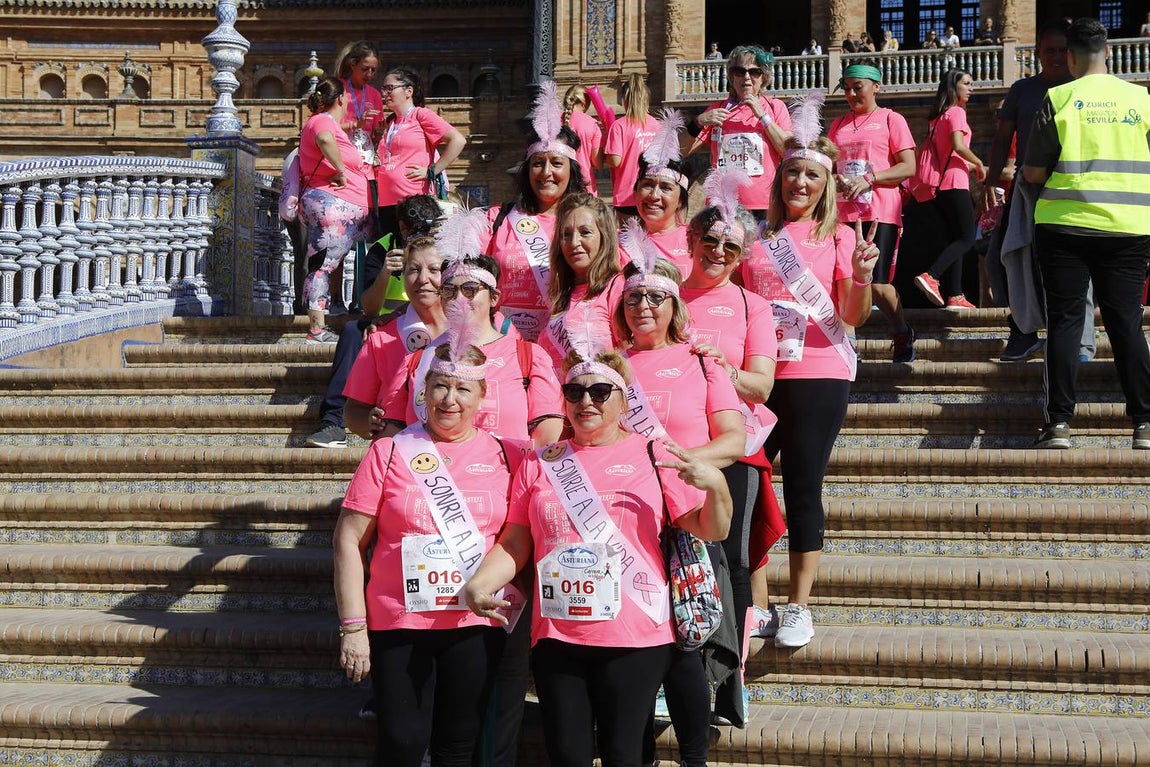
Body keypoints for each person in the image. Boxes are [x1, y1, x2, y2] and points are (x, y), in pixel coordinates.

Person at [463, 347, 733, 767]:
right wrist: (481, 583)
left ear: (623, 401)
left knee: (623, 755)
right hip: (557, 635)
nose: (586, 401)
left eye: (600, 392)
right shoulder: (539, 462)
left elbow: (712, 529)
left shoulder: (655, 453)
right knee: (567, 756)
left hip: (635, 636)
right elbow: (516, 542)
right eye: (574, 392)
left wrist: (717, 485)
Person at [334, 302, 527, 766]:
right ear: (424, 390)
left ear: (482, 396)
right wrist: (353, 627)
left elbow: (518, 537)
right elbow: (348, 540)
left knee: (457, 747)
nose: (449, 399)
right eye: (439, 385)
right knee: (401, 742)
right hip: (399, 620)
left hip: (473, 622)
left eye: (462, 388)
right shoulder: (389, 451)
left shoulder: (508, 455)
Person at [739, 94, 880, 648]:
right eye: (792, 173)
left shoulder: (840, 237)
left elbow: (852, 316)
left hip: (818, 373)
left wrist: (863, 276)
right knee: (748, 485)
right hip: (759, 377)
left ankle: (798, 606)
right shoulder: (755, 239)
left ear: (826, 186)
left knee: (802, 486)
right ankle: (757, 603)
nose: (800, 182)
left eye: (811, 176)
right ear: (780, 181)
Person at [612, 228, 744, 767]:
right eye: (633, 298)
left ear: (674, 305)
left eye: (654, 297)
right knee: (635, 652)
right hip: (625, 523)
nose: (643, 306)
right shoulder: (609, 367)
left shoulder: (702, 360)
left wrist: (682, 462)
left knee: (684, 648)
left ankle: (694, 758)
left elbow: (734, 440)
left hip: (685, 521)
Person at [1022, 17, 1150, 451]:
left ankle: (1059, 424)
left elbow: (1033, 171)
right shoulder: (1141, 99)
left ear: (1072, 58)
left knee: (1065, 321)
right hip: (1129, 225)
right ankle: (1145, 423)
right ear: (1108, 52)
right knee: (1126, 322)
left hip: (1065, 224)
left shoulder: (1059, 97)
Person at [678, 191, 782, 718]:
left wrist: (725, 368)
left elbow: (762, 386)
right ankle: (674, 677)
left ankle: (729, 681)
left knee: (734, 562)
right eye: (710, 240)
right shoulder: (662, 293)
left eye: (731, 247)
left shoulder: (751, 305)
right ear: (690, 240)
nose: (718, 252)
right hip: (671, 447)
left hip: (731, 447)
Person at [981, 19, 1098, 363]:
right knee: (1001, 259)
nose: (1057, 57)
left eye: (1063, 50)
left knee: (1072, 263)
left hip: (1069, 186)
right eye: (1050, 50)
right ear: (1037, 53)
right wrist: (991, 181)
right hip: (1026, 187)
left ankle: (1077, 340)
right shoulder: (1023, 90)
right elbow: (1003, 138)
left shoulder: (1081, 88)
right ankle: (1024, 329)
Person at [306, 194, 443, 448]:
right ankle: (333, 420)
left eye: (425, 230)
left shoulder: (445, 249)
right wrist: (385, 272)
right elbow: (369, 308)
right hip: (387, 327)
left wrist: (401, 312)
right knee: (352, 330)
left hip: (436, 323)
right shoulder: (383, 248)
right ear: (401, 228)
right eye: (411, 231)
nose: (418, 238)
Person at [481, 81, 587, 341]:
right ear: (527, 170)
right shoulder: (497, 218)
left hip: (562, 342)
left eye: (557, 163)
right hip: (504, 342)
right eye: (538, 163)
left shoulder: (587, 224)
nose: (546, 172)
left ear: (571, 171)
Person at [828, 64, 917, 361]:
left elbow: (908, 167)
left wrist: (870, 178)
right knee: (843, 280)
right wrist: (836, 178)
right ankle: (848, 343)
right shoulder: (838, 124)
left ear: (876, 86)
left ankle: (901, 330)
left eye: (858, 87)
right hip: (843, 213)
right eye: (847, 88)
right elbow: (830, 166)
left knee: (877, 284)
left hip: (880, 211)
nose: (852, 94)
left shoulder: (891, 119)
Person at [342, 235, 448, 442]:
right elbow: (353, 411)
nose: (423, 278)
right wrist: (368, 421)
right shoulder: (380, 337)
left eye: (434, 270)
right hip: (396, 454)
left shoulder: (470, 333)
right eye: (413, 270)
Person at [297, 76, 372, 343]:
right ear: (341, 99)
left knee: (326, 263)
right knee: (322, 265)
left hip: (342, 207)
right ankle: (316, 329)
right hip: (332, 204)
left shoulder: (327, 122)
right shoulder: (321, 121)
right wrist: (341, 171)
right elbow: (325, 138)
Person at [911, 68, 986, 309]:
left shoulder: (937, 118)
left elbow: (948, 153)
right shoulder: (956, 112)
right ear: (954, 87)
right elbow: (958, 146)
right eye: (967, 83)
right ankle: (932, 275)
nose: (971, 88)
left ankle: (955, 294)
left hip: (940, 186)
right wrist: (979, 163)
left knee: (955, 239)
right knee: (966, 238)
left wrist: (972, 166)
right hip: (954, 183)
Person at [692, 45, 794, 218]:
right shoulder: (718, 109)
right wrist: (698, 121)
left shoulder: (775, 107)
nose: (746, 76)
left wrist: (762, 116)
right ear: (732, 77)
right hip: (722, 205)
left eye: (754, 72)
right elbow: (681, 151)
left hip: (764, 205)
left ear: (763, 77)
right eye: (739, 71)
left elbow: (788, 151)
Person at [373, 67, 466, 242]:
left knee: (414, 250)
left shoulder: (420, 115)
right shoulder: (389, 122)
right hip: (386, 202)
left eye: (390, 88)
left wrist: (432, 170)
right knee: (392, 252)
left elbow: (458, 140)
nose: (385, 93)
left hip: (414, 200)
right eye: (383, 89)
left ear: (408, 91)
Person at [538, 193, 624, 372]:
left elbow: (630, 356)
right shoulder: (560, 293)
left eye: (585, 232)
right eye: (566, 234)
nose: (574, 242)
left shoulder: (618, 288)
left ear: (604, 236)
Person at [631, 108, 691, 277]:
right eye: (647, 185)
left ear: (680, 200)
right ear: (635, 193)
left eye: (666, 188)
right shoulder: (618, 242)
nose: (654, 195)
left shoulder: (696, 240)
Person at [602, 73, 659, 217]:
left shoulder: (619, 125)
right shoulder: (657, 125)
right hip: (652, 192)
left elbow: (615, 161)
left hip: (626, 194)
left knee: (626, 232)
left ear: (624, 100)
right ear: (646, 99)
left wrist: (605, 153)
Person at [333, 41, 384, 162]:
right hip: (340, 158)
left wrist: (379, 133)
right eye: (365, 69)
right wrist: (355, 125)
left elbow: (376, 137)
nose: (369, 74)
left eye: (373, 70)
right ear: (353, 64)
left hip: (365, 161)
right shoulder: (336, 88)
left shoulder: (375, 95)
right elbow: (326, 129)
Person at [562, 84, 604, 195]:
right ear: (585, 103)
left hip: (559, 185)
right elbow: (598, 163)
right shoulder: (592, 123)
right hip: (584, 186)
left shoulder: (553, 120)